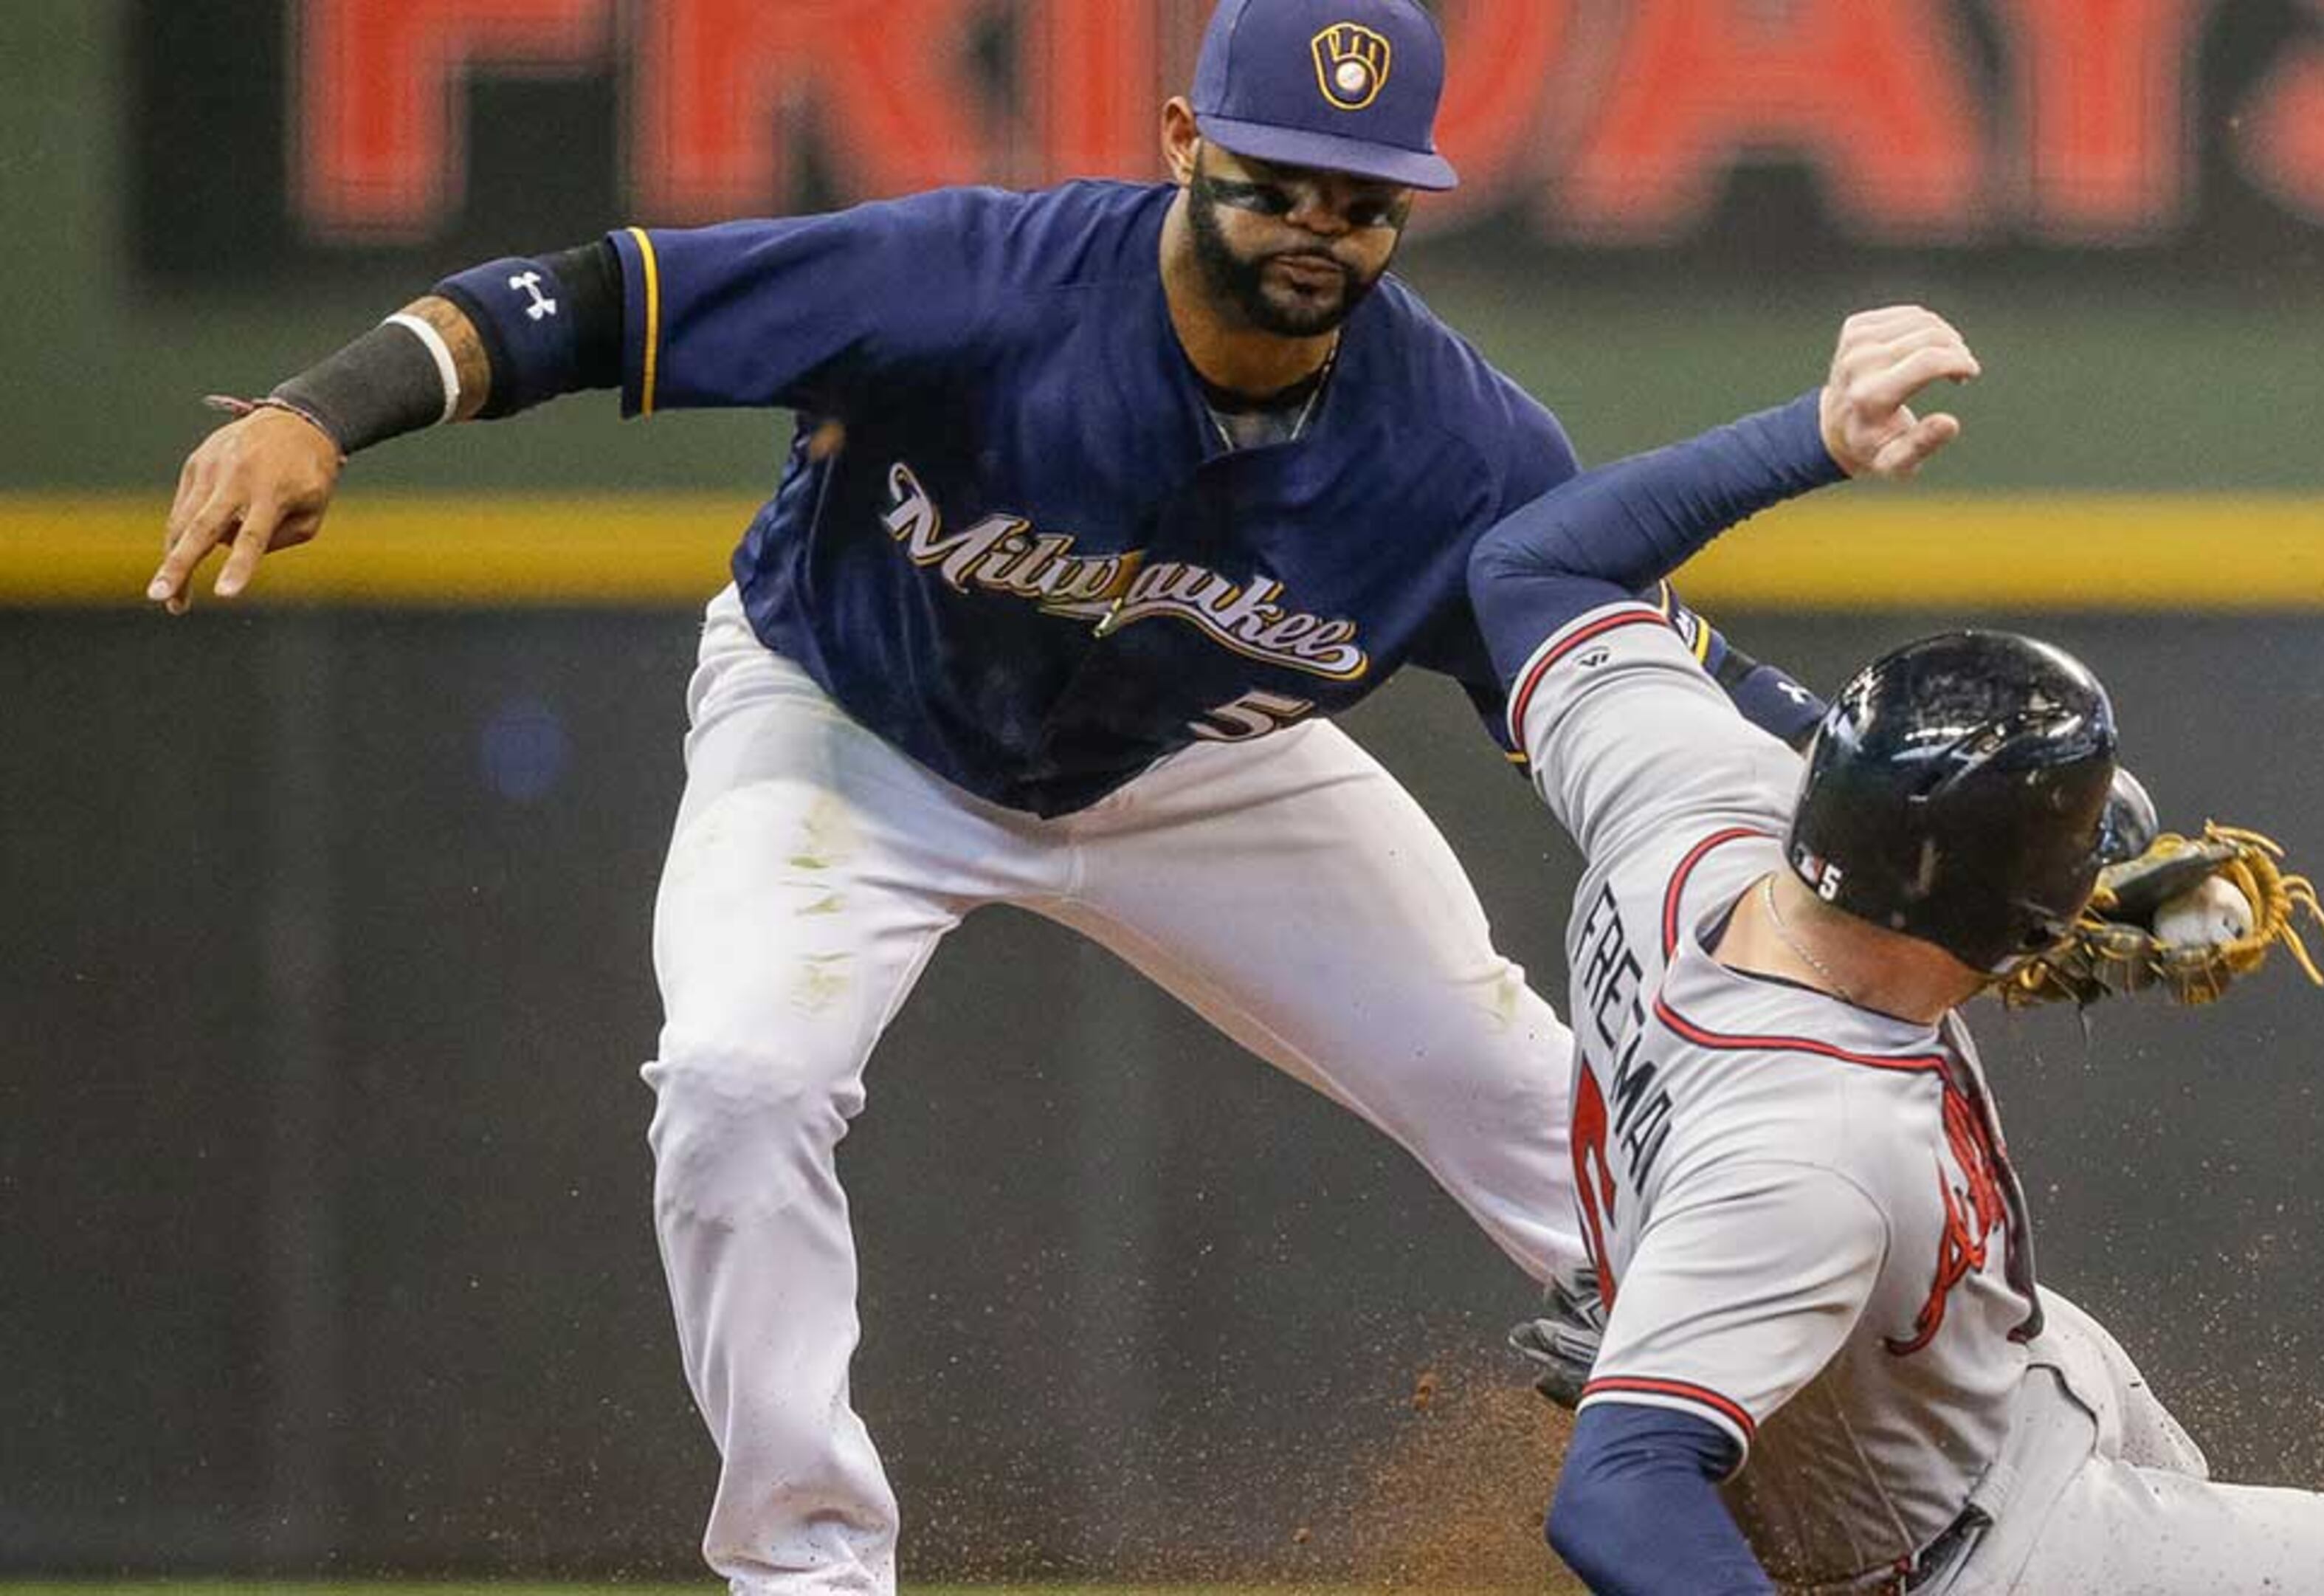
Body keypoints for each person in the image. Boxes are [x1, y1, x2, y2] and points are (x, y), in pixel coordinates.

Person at [148, 3, 1831, 1591]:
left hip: (1193, 765)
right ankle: (806, 1565)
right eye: (1277, 180)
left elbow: (1643, 670)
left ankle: (1855, 1481)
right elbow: (598, 297)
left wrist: (1896, 815)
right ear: (1182, 139)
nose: (1320, 224)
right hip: (848, 722)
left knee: (1531, 1087)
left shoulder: (1459, 447)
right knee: (741, 1079)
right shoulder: (972, 280)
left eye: (1367, 198)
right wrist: (324, 410)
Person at [1469, 309, 2324, 1594]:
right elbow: (1621, 1491)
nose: (2100, 882)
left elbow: (1530, 570)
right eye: (2070, 867)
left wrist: (1802, 440)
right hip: (1951, 1551)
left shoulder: (1696, 804)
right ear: (1997, 922)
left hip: (1978, 1371)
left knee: (2138, 1431)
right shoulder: (1815, 1153)